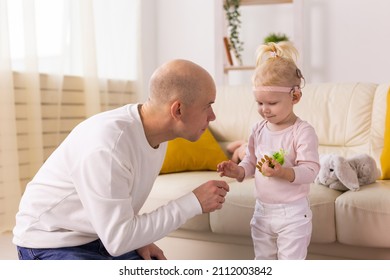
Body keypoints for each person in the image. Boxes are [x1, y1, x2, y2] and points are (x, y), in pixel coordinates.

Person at [13, 59, 230, 260]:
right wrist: (193, 202)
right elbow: (118, 240)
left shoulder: (157, 136)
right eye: (207, 106)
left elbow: (119, 218)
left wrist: (137, 240)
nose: (212, 116)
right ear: (178, 109)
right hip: (50, 243)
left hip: (100, 237)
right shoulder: (108, 145)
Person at [217, 42, 320, 260]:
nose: (264, 109)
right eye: (259, 102)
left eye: (272, 103)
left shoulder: (302, 131)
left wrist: (284, 172)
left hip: (292, 214)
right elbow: (250, 162)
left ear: (295, 97)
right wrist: (238, 171)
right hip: (262, 211)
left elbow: (310, 171)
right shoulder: (258, 129)